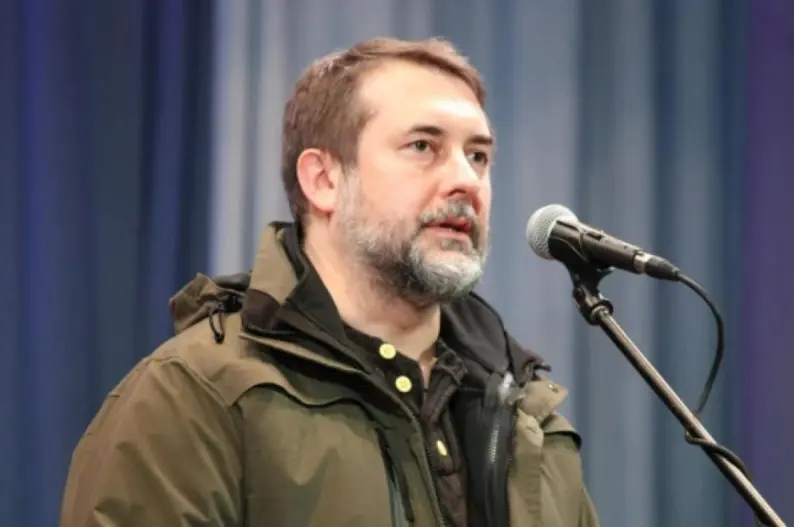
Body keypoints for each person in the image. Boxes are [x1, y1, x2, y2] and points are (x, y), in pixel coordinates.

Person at [60, 37, 599, 527]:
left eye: (478, 156)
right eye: (422, 146)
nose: (465, 179)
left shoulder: (529, 419)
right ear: (323, 180)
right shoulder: (196, 398)